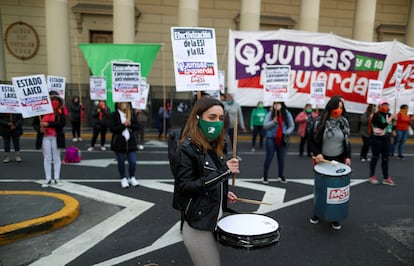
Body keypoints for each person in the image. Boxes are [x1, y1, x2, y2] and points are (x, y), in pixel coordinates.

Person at [172, 97, 239, 266]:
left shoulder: (217, 145)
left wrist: (223, 193)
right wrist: (224, 172)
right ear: (197, 118)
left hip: (215, 221)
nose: (217, 122)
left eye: (221, 118)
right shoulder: (185, 150)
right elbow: (185, 187)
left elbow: (212, 181)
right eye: (212, 117)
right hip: (198, 226)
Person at [308, 96, 351, 230]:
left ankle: (335, 216)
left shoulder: (344, 122)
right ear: (331, 107)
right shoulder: (319, 122)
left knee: (335, 190)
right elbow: (310, 141)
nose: (340, 109)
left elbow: (347, 141)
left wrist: (347, 156)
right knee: (321, 188)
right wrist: (317, 153)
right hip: (322, 160)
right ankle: (317, 213)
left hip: (337, 161)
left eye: (342, 107)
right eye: (338, 106)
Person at [32, 91, 66, 187]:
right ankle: (47, 179)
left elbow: (62, 123)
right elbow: (34, 123)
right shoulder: (41, 110)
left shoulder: (60, 111)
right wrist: (39, 129)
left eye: (56, 100)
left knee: (56, 158)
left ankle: (56, 178)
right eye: (52, 99)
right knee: (47, 158)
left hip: (56, 137)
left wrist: (49, 124)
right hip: (45, 137)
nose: (54, 101)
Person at [262, 101, 294, 184]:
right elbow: (265, 125)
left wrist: (286, 132)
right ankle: (265, 176)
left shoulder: (287, 113)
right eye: (275, 104)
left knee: (281, 158)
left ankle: (281, 175)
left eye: (279, 104)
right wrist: (273, 122)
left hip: (282, 139)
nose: (277, 105)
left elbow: (292, 125)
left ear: (282, 104)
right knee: (269, 157)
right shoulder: (270, 113)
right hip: (271, 138)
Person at [109, 102, 139, 188]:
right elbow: (112, 128)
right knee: (121, 161)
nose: (124, 105)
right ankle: (123, 178)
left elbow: (137, 126)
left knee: (133, 162)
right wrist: (123, 125)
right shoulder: (114, 114)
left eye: (126, 103)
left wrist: (130, 124)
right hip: (119, 142)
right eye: (123, 103)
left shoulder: (131, 114)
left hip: (131, 143)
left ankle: (132, 177)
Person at [368, 99, 397, 186]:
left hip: (386, 139)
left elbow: (391, 128)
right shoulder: (376, 115)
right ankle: (372, 176)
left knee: (385, 159)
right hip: (377, 139)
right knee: (375, 157)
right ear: (379, 106)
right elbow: (382, 126)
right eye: (383, 105)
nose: (385, 107)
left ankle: (386, 177)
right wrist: (391, 118)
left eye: (387, 105)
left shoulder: (389, 115)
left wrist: (395, 122)